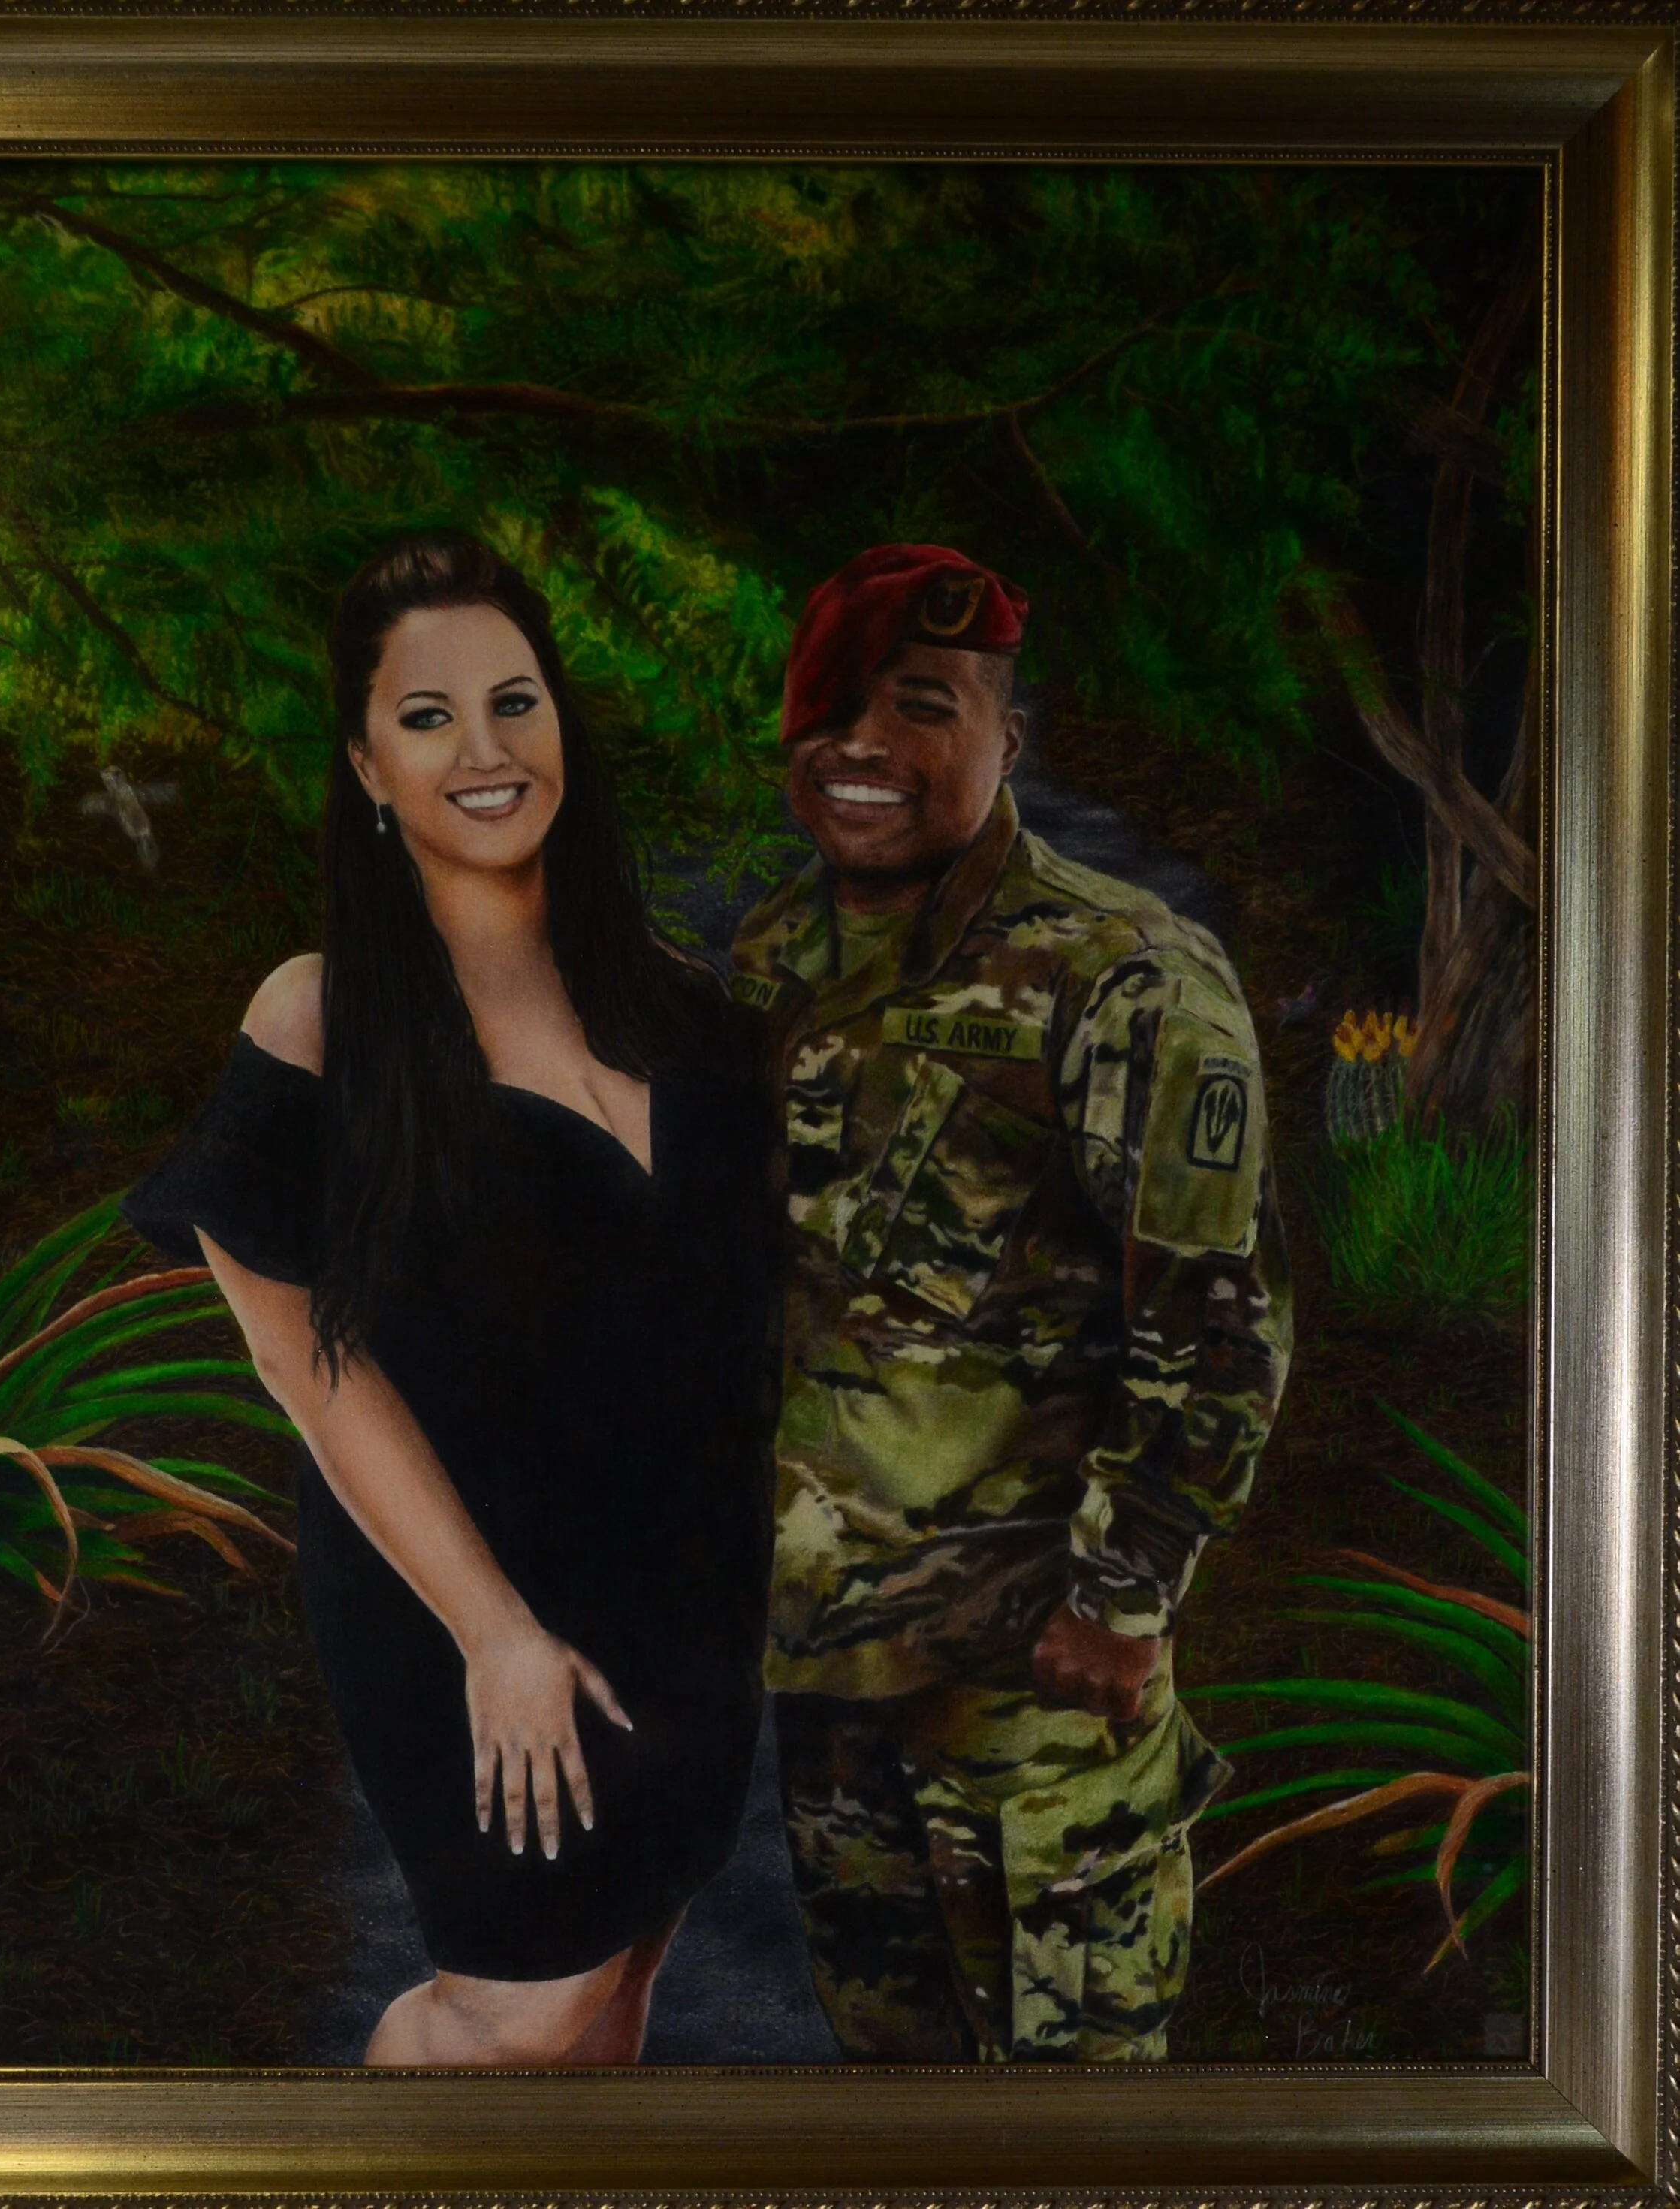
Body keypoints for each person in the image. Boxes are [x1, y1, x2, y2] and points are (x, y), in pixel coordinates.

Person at [125, 532, 778, 2066]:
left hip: (682, 1595)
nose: (483, 753)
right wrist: (495, 1635)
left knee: (616, 1990)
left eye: (514, 703)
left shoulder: (682, 1009)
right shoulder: (320, 1021)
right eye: (426, 719)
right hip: (466, 1594)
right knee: (516, 2009)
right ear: (364, 763)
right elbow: (306, 1369)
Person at [730, 542, 1292, 2063]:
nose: (860, 746)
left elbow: (1216, 1314)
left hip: (1033, 1694)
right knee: (896, 2113)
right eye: (829, 707)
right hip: (831, 1680)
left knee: (1080, 2129)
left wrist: (1125, 1597)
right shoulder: (774, 958)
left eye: (917, 706)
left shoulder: (1124, 974)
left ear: (1003, 741)